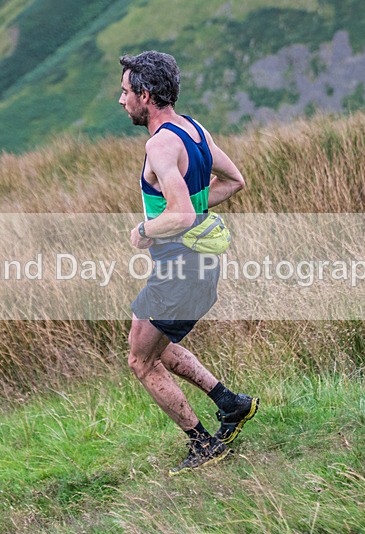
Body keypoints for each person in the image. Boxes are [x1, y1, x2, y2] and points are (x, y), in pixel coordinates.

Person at [119, 51, 259, 476]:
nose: (120, 99)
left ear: (145, 95)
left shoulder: (160, 144)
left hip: (179, 271)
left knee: (140, 361)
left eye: (125, 92)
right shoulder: (194, 130)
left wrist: (143, 233)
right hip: (200, 268)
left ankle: (203, 444)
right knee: (156, 345)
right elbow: (234, 181)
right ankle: (230, 404)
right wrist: (194, 208)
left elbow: (178, 214)